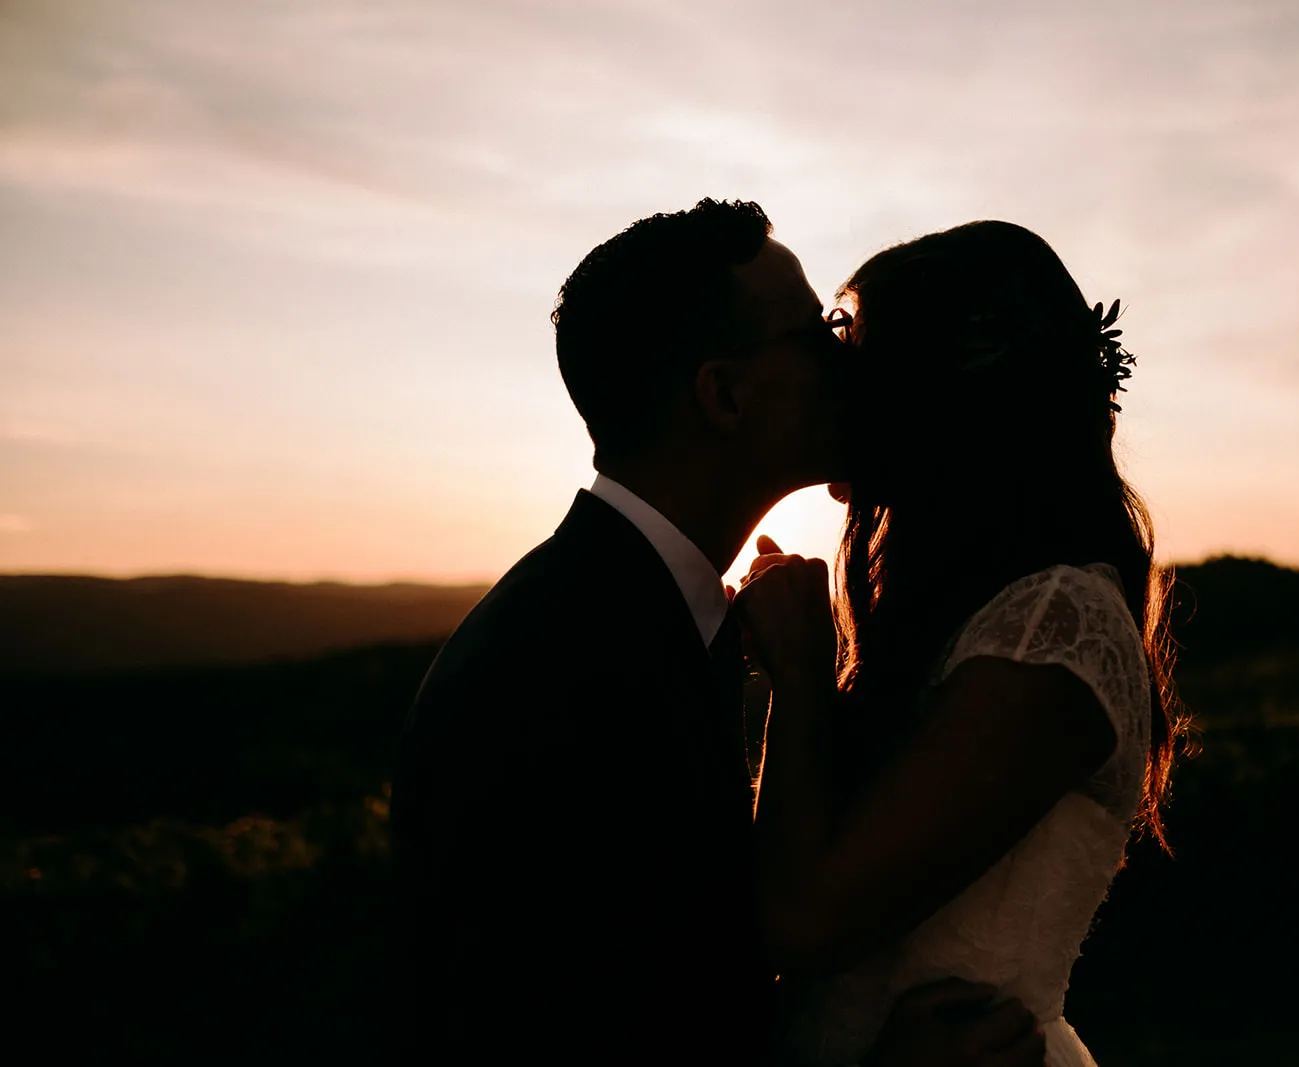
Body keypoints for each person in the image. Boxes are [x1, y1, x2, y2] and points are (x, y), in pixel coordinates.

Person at [390, 200, 1047, 1067]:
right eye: (817, 334)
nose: (847, 359)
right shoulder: (559, 668)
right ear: (726, 395)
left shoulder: (631, 616)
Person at [734, 221, 1188, 1067]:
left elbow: (807, 918)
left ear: (932, 397)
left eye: (858, 355)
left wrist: (800, 674)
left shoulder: (1053, 626)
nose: (835, 381)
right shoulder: (963, 613)